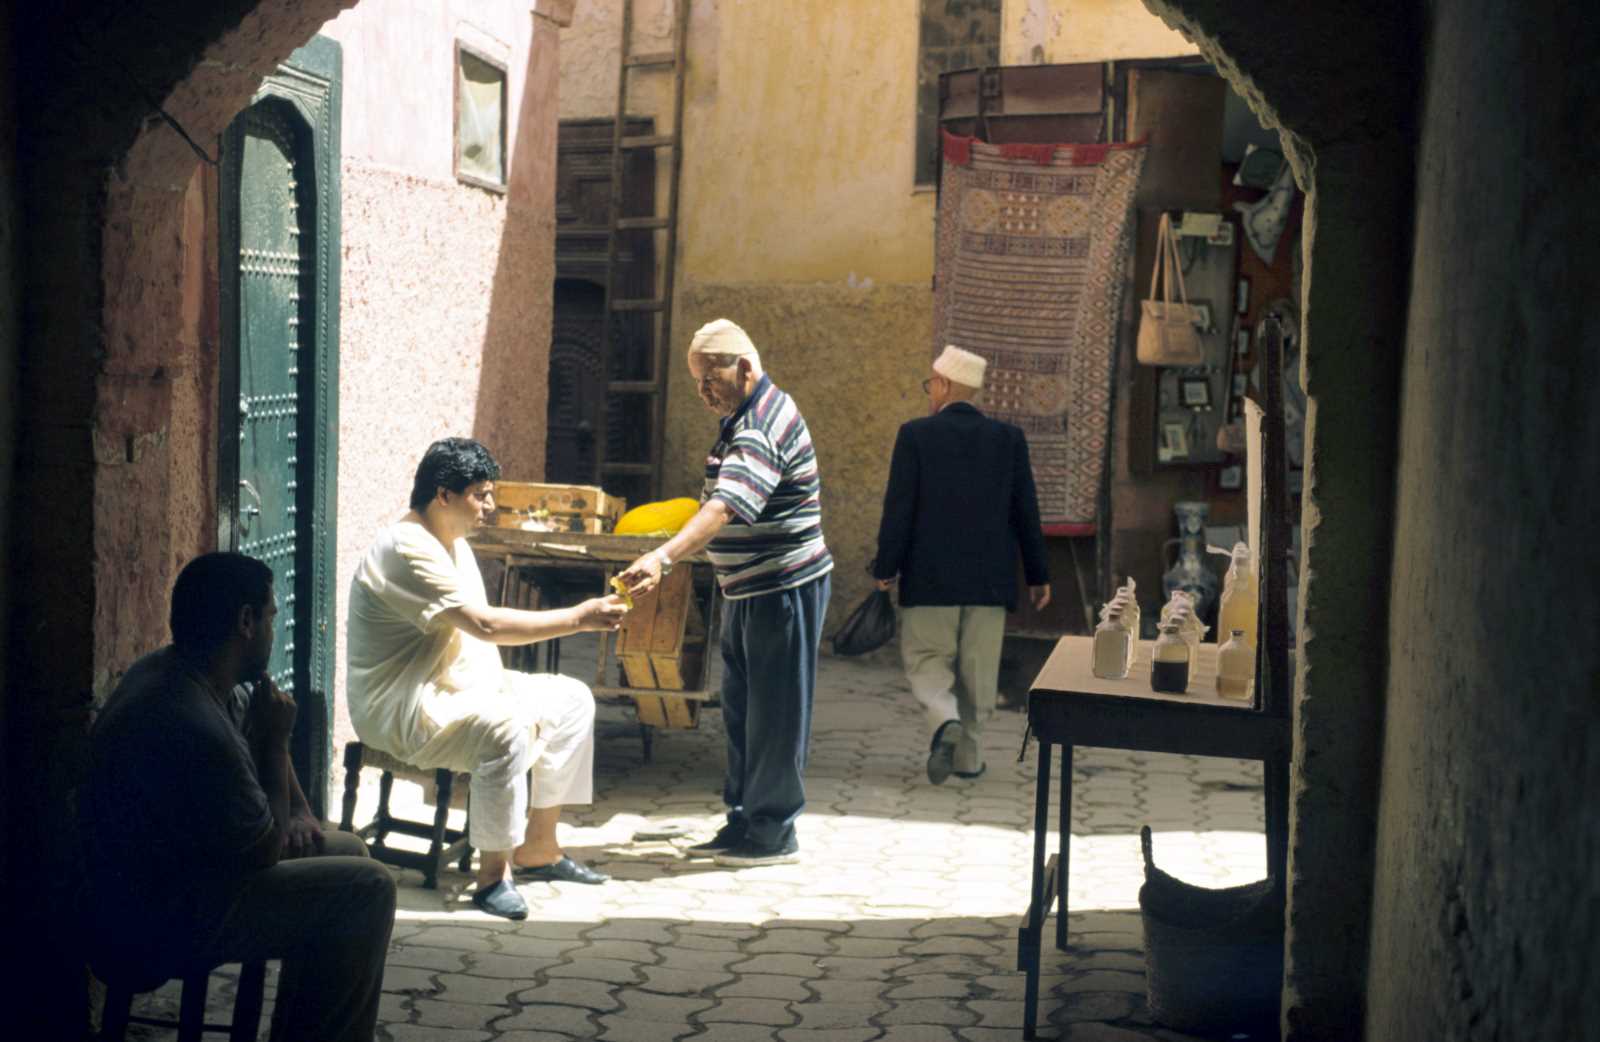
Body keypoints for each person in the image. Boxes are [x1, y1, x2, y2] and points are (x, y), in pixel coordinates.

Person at [81, 552, 396, 1042]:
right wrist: (276, 746)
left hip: (181, 880)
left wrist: (303, 814)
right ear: (245, 621)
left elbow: (262, 716)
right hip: (147, 923)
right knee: (368, 888)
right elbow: (264, 851)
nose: (275, 629)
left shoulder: (190, 672)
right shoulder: (192, 720)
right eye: (271, 616)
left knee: (348, 850)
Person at [346, 437, 628, 920]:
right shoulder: (407, 548)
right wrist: (580, 617)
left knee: (572, 698)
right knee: (505, 726)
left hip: (455, 688)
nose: (491, 506)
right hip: (402, 706)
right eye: (481, 494)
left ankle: (538, 848)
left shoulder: (450, 542)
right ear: (443, 495)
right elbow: (486, 626)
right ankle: (493, 876)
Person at [619, 318, 832, 868]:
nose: (703, 392)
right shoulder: (739, 417)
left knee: (775, 712)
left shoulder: (761, 423)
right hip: (748, 588)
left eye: (710, 379)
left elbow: (725, 505)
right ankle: (743, 819)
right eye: (696, 382)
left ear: (744, 367)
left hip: (782, 585)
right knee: (742, 709)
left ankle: (773, 831)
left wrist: (665, 556)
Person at [872, 345, 1051, 784]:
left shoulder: (915, 435)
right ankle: (969, 760)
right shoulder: (1009, 440)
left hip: (930, 578)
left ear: (945, 384)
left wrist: (885, 566)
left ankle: (942, 719)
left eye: (930, 383)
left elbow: (899, 508)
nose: (929, 390)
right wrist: (1038, 573)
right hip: (989, 582)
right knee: (978, 671)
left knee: (928, 660)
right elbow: (1025, 510)